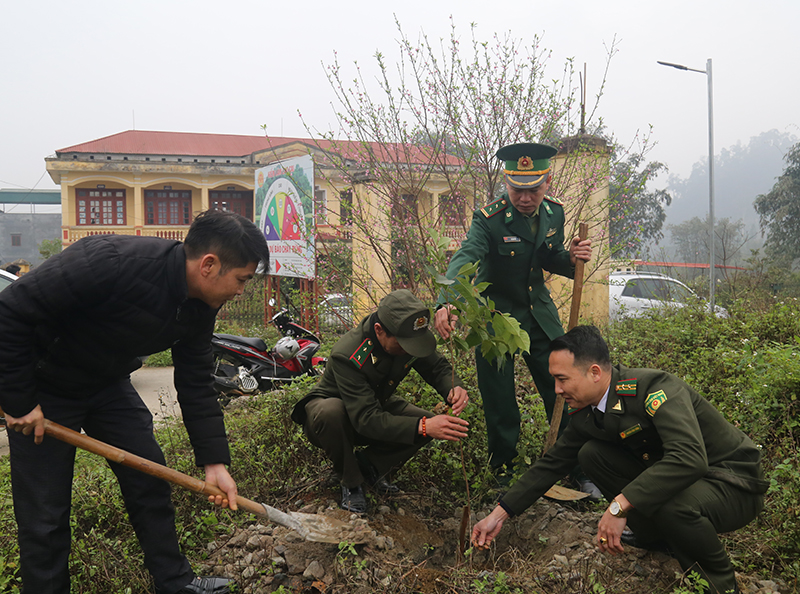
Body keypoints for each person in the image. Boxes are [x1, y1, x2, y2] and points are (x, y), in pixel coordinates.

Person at [0, 209, 270, 594]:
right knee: (44, 515)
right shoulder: (109, 261)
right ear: (209, 265)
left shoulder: (201, 306)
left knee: (149, 479)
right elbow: (10, 312)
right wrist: (19, 399)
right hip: (44, 387)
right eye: (241, 279)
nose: (241, 290)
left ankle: (175, 583)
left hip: (107, 385)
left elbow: (195, 379)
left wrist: (214, 462)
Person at [472, 325, 767, 594]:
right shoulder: (588, 411)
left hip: (732, 484)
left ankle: (720, 584)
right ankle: (655, 537)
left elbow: (690, 458)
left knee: (676, 506)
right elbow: (552, 464)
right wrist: (498, 515)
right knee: (591, 454)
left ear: (595, 373)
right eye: (555, 380)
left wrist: (618, 506)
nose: (557, 391)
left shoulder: (655, 390)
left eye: (562, 380)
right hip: (689, 481)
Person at [434, 142, 596, 496]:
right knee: (501, 401)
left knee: (565, 391)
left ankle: (577, 466)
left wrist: (571, 259)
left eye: (533, 189)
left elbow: (548, 256)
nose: (525, 198)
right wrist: (447, 301)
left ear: (547, 183)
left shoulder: (554, 213)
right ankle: (504, 472)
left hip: (539, 315)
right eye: (517, 189)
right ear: (506, 183)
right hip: (495, 320)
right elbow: (465, 258)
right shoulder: (489, 220)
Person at [292, 289, 470, 514]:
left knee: (431, 423)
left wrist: (453, 386)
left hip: (372, 403)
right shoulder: (348, 354)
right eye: (403, 345)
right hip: (334, 415)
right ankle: (351, 482)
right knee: (332, 412)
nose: (408, 350)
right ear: (379, 331)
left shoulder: (407, 335)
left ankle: (370, 467)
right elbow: (366, 419)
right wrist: (423, 427)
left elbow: (436, 367)